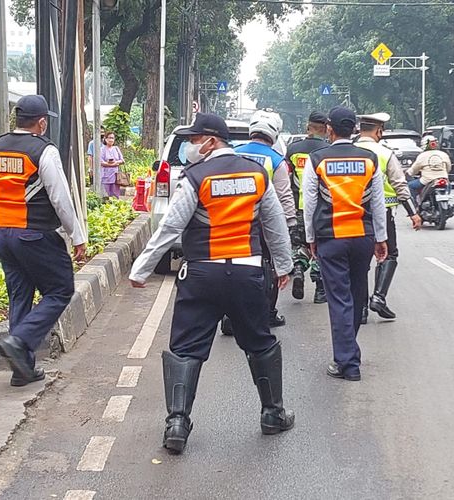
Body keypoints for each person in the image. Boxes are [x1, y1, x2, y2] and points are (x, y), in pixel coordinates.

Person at [129, 112, 295, 454]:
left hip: (202, 274)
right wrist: (284, 266)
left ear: (211, 141)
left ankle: (177, 423)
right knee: (259, 342)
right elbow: (275, 224)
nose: (191, 146)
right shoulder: (256, 174)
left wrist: (141, 269)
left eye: (194, 140)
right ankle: (272, 414)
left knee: (186, 347)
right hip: (248, 273)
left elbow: (171, 228)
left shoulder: (195, 176)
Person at [0, 95, 87, 387]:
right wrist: (77, 236)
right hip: (35, 234)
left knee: (20, 296)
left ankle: (22, 370)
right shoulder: (44, 151)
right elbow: (60, 198)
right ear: (41, 123)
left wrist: (0, 228)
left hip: (5, 233)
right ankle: (20, 342)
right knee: (60, 289)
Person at [303, 106, 388, 381]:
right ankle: (349, 352)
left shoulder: (317, 159)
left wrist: (310, 238)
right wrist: (381, 238)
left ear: (329, 128)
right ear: (353, 129)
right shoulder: (369, 159)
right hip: (362, 237)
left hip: (331, 238)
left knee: (339, 299)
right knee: (356, 294)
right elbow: (377, 202)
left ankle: (347, 363)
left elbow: (310, 203)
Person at [355, 113, 421, 322]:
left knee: (360, 261)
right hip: (383, 213)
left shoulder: (351, 151)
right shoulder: (385, 153)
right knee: (389, 254)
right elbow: (400, 185)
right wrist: (413, 213)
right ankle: (379, 298)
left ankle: (361, 309)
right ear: (379, 131)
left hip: (355, 214)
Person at [234, 110, 296, 327]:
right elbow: (284, 196)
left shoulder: (233, 153)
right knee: (269, 267)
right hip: (264, 224)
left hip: (233, 221)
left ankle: (231, 317)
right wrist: (290, 224)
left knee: (234, 266)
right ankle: (268, 314)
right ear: (274, 135)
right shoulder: (277, 160)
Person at [285, 111, 330, 304]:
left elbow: (286, 181)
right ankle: (320, 290)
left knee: (299, 244)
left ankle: (298, 270)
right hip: (323, 208)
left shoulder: (293, 150)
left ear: (307, 127)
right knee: (322, 246)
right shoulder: (328, 150)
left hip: (298, 207)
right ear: (327, 129)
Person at [407, 135, 452, 203]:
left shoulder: (422, 156)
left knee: (410, 186)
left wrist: (409, 173)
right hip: (443, 179)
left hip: (427, 180)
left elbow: (414, 170)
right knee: (449, 185)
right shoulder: (444, 154)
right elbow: (448, 168)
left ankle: (415, 207)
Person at [100, 131, 125, 198]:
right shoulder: (102, 149)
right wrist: (110, 164)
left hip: (116, 176)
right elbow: (100, 162)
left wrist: (116, 162)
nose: (111, 140)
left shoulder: (116, 148)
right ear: (105, 139)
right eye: (109, 138)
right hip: (105, 176)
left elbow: (122, 160)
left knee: (115, 196)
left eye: (113, 138)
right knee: (106, 196)